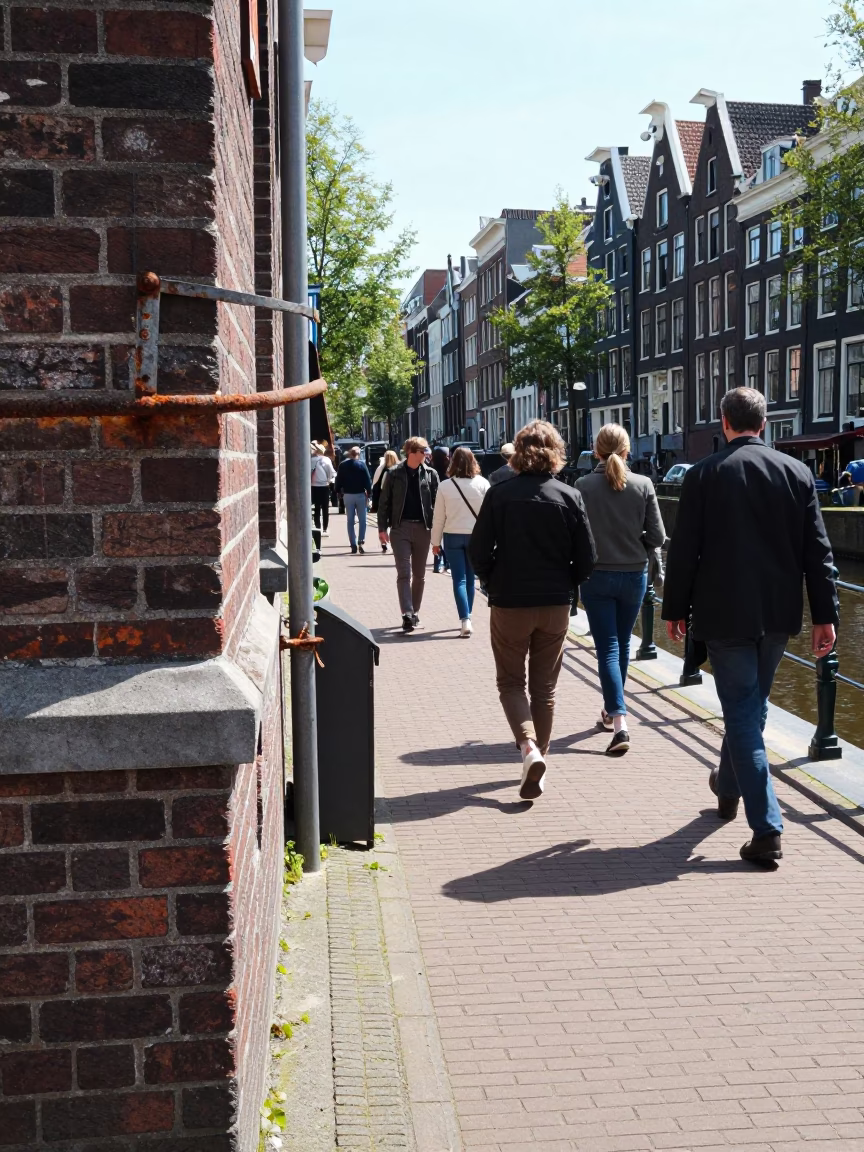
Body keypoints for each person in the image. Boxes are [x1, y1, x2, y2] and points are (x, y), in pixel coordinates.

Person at [662, 387, 838, 867]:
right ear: (764, 423)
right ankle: (727, 784)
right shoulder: (797, 473)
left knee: (742, 713)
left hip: (723, 613)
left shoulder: (704, 475)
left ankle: (767, 830)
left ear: (725, 423)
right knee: (751, 708)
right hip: (777, 615)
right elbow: (818, 555)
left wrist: (674, 607)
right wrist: (826, 616)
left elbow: (685, 550)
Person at [470, 421, 596, 800]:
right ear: (556, 451)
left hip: (510, 602)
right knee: (545, 689)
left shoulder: (500, 494)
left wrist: (492, 580)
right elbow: (588, 558)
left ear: (520, 452)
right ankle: (539, 761)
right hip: (555, 604)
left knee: (511, 683)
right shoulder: (569, 496)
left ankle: (529, 749)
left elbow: (478, 551)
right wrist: (566, 583)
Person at [575, 424, 666, 756]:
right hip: (633, 577)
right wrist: (635, 546)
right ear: (628, 451)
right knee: (623, 644)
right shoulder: (643, 484)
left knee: (608, 649)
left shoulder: (582, 486)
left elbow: (577, 537)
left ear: (595, 451)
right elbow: (656, 536)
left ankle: (619, 721)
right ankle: (610, 711)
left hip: (597, 578)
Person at [378, 437, 439, 634]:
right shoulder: (394, 473)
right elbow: (384, 503)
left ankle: (415, 611)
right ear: (412, 452)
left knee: (419, 575)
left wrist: (438, 532)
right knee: (404, 573)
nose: (427, 454)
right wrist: (382, 529)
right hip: (400, 528)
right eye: (423, 451)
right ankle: (407, 613)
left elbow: (438, 504)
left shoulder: (431, 474)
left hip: (423, 529)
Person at [431, 447, 490, 638]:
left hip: (452, 535)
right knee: (471, 579)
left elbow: (438, 517)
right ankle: (468, 617)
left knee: (459, 579)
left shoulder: (445, 486)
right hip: (476, 536)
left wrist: (435, 542)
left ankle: (464, 618)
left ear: (452, 463)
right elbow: (489, 516)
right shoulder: (482, 484)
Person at [335, 446, 373, 554]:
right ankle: (361, 540)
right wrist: (369, 493)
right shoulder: (362, 465)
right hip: (360, 494)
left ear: (349, 454)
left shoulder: (343, 465)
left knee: (350, 521)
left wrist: (338, 491)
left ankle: (352, 543)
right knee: (362, 519)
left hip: (348, 495)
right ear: (358, 454)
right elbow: (367, 479)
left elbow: (339, 479)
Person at [371, 450, 399, 550]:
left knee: (382, 521)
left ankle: (383, 541)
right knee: (394, 522)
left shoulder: (381, 469)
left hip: (383, 500)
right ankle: (394, 542)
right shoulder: (400, 469)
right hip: (395, 501)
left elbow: (375, 484)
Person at [430, 447, 451, 573]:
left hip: (434, 507)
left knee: (437, 535)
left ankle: (437, 563)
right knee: (446, 535)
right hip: (448, 507)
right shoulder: (449, 473)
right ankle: (447, 562)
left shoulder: (431, 472)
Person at [310, 442, 335, 536]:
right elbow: (331, 472)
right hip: (324, 486)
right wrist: (328, 481)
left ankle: (317, 527)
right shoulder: (326, 460)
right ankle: (325, 528)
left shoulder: (311, 459)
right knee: (325, 509)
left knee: (316, 508)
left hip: (313, 486)